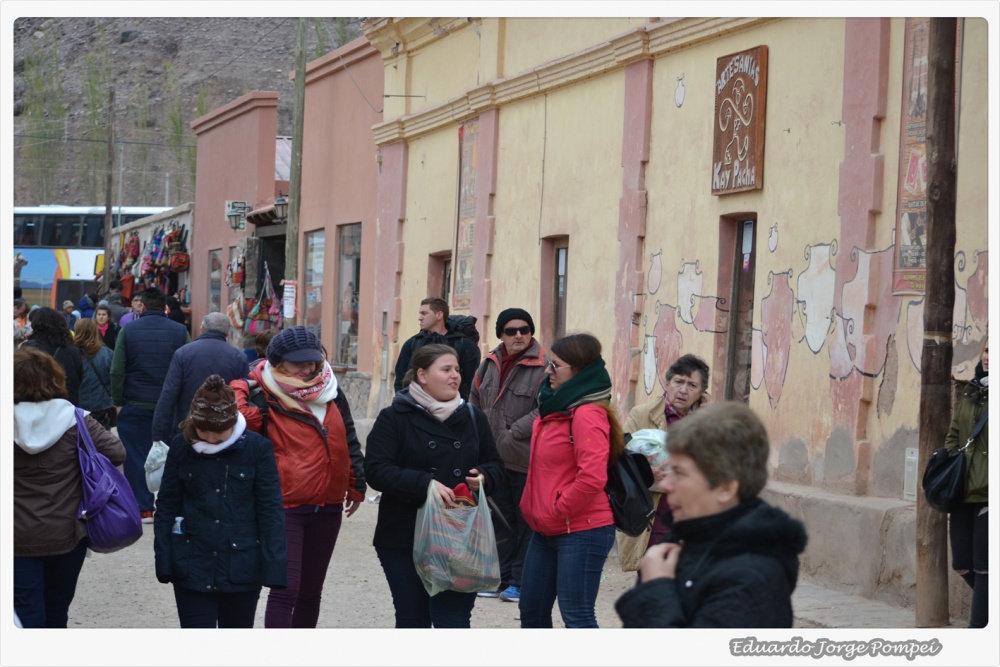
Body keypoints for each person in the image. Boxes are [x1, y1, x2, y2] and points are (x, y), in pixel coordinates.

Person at [615, 401, 808, 627]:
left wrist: (657, 590)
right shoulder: (688, 540)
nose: (666, 484)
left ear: (725, 488)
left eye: (679, 472)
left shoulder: (751, 577)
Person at [231, 326, 367, 628]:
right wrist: (239, 388)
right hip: (285, 504)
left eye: (312, 361)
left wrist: (357, 483)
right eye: (298, 362)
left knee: (310, 592)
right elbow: (238, 424)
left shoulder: (330, 389)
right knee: (285, 588)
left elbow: (348, 436)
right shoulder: (261, 391)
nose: (308, 369)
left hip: (328, 504)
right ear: (278, 362)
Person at [365, 344, 505, 628]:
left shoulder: (473, 417)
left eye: (457, 369)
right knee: (412, 618)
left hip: (460, 537)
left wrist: (484, 478)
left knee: (452, 619)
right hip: (404, 535)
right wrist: (424, 483)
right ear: (422, 375)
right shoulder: (394, 417)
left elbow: (495, 465)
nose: (455, 376)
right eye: (446, 369)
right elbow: (376, 471)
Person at [154, 375, 287, 628]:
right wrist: (164, 559)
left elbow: (270, 509)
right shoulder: (180, 447)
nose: (211, 439)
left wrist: (275, 566)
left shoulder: (257, 449)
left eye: (219, 433)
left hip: (242, 567)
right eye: (203, 431)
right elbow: (166, 506)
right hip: (191, 564)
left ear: (233, 423)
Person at [14, 347, 126, 628]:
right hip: (68, 534)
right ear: (54, 379)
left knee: (24, 614)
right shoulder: (75, 418)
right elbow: (117, 452)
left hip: (16, 538)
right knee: (56, 611)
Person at [518, 332, 623, 628]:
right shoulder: (555, 405)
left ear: (579, 371)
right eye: (549, 363)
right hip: (546, 528)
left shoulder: (587, 413)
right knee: (532, 612)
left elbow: (591, 478)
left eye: (556, 366)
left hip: (582, 529)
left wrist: (558, 509)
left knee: (577, 616)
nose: (548, 371)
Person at [469, 307, 546, 603]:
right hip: (492, 459)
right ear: (501, 333)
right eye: (512, 330)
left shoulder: (544, 365)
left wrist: (516, 430)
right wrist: (475, 433)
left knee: (524, 521)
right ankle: (499, 578)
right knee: (498, 520)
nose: (519, 335)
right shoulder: (488, 363)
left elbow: (547, 406)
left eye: (525, 330)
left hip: (525, 457)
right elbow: (474, 400)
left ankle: (519, 581)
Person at [617, 353, 711, 572]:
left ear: (701, 393)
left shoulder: (707, 422)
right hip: (655, 514)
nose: (683, 390)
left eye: (692, 385)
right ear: (667, 383)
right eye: (678, 381)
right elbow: (620, 460)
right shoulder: (642, 414)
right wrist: (646, 473)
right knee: (653, 580)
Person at [111, 287, 190, 523]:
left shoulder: (128, 330)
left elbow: (117, 370)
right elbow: (185, 365)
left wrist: (117, 402)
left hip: (135, 403)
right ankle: (167, 506)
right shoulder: (180, 331)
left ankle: (144, 507)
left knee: (135, 456)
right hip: (169, 406)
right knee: (171, 456)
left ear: (142, 306)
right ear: (164, 307)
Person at [151, 312, 248, 446]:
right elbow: (243, 397)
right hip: (224, 431)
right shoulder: (239, 358)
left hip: (188, 428)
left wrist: (159, 435)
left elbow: (169, 394)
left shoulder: (183, 353)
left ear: (202, 328)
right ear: (227, 334)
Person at [944, 336, 988, 628]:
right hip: (963, 491)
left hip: (988, 494)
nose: (988, 357)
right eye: (987, 349)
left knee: (985, 568)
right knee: (962, 563)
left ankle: (979, 633)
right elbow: (954, 433)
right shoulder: (972, 390)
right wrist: (949, 463)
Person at [393, 297, 481, 400]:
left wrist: (464, 409)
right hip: (416, 408)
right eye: (420, 313)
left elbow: (472, 381)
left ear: (439, 315)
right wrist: (404, 404)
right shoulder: (412, 343)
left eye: (424, 313)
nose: (420, 318)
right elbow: (400, 378)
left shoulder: (464, 344)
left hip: (453, 409)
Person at [21, 307, 84, 407]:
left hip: (35, 405)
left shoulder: (28, 348)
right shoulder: (73, 351)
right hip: (65, 407)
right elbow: (79, 380)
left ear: (36, 326)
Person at [73, 318, 116, 431]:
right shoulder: (107, 353)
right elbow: (114, 379)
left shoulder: (71, 354)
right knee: (101, 443)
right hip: (102, 406)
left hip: (77, 407)